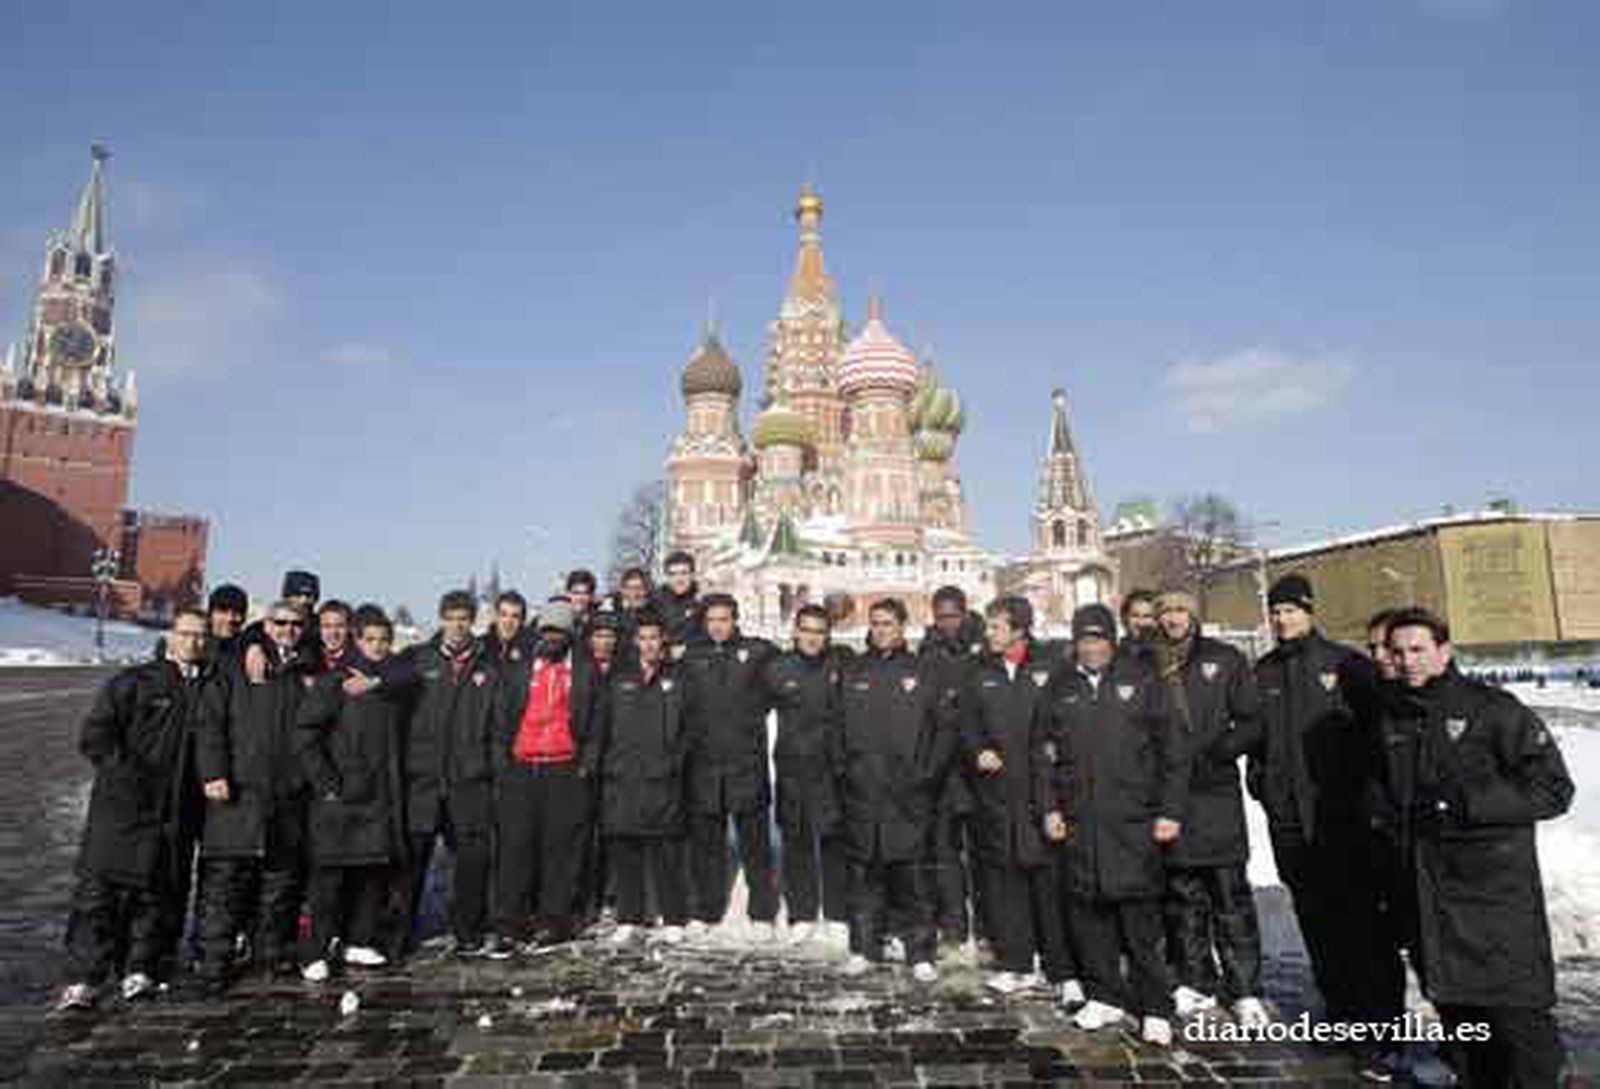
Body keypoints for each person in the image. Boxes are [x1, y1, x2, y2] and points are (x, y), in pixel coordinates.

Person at [1378, 609, 1572, 1088]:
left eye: (1418, 649)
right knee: (1463, 1028)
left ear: (1444, 651)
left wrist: (1465, 804)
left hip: (1493, 900)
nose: (1407, 661)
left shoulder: (1493, 709)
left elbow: (1553, 789)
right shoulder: (1394, 716)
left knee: (1518, 1027)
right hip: (1428, 897)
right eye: (1398, 652)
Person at [1248, 574, 1404, 1052]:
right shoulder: (1264, 671)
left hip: (1343, 818)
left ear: (1309, 612)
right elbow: (1256, 739)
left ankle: (1379, 1022)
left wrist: (1370, 799)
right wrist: (1261, 784)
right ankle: (1337, 1008)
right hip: (1289, 819)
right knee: (1314, 917)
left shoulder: (1345, 664)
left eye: (1290, 610)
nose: (1281, 619)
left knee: (1357, 919)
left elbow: (1379, 736)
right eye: (1275, 611)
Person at [56, 608, 221, 1011]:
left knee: (155, 893)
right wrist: (123, 775)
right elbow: (96, 734)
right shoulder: (135, 681)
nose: (193, 642)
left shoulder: (207, 687)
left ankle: (140, 968)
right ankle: (84, 978)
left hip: (173, 810)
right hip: (122, 809)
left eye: (201, 636)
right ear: (171, 636)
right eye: (187, 634)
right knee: (99, 895)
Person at [1043, 603, 1186, 1046]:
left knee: (1139, 921)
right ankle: (1103, 995)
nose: (1092, 648)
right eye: (1084, 640)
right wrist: (1049, 807)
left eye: (1099, 639)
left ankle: (1155, 1005)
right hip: (1081, 822)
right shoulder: (1060, 687)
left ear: (1111, 640)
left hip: (1132, 820)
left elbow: (1173, 751)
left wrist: (1170, 810)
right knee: (1090, 914)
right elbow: (1040, 753)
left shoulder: (1141, 681)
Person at [1150, 590, 1268, 1026]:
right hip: (1168, 794)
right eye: (1165, 612)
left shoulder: (1224, 659)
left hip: (1214, 791)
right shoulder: (1149, 662)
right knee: (1183, 896)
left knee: (1229, 894)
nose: (1172, 619)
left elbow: (1253, 719)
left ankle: (1245, 988)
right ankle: (1195, 980)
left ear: (1193, 615)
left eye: (1180, 611)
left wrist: (1221, 751)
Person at [191, 600, 318, 993]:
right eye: (280, 623)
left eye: (296, 624)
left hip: (287, 793)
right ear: (266, 624)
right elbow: (210, 723)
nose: (288, 630)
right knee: (225, 880)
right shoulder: (236, 665)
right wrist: (213, 772)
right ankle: (214, 959)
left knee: (278, 882)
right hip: (239, 790)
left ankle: (271, 953)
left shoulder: (305, 670)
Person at [960, 596, 1079, 1004]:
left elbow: (1068, 719)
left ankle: (1062, 968)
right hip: (997, 795)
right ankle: (1017, 963)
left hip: (1043, 794)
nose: (987, 633)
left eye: (995, 627)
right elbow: (967, 724)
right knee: (1005, 883)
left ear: (1019, 630)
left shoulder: (1052, 667)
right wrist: (977, 750)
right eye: (988, 626)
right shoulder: (979, 672)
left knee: (1048, 884)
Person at [835, 598, 956, 984]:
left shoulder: (922, 671)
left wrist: (927, 776)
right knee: (865, 876)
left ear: (903, 626)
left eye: (888, 623)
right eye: (875, 623)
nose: (881, 629)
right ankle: (865, 947)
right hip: (864, 791)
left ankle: (920, 950)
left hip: (908, 793)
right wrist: (846, 772)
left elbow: (945, 730)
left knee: (913, 876)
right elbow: (835, 730)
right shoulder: (855, 671)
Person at [295, 610, 412, 982]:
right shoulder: (335, 682)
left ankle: (359, 939)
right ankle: (315, 949)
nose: (377, 647)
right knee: (329, 878)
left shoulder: (387, 682)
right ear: (357, 640)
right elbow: (305, 735)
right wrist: (327, 783)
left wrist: (377, 680)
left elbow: (411, 675)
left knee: (370, 873)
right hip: (342, 796)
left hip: (379, 795)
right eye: (370, 639)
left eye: (383, 640)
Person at [494, 600, 602, 951]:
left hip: (564, 768)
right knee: (517, 847)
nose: (550, 638)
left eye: (558, 632)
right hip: (523, 767)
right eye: (546, 631)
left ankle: (553, 920)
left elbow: (599, 722)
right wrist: (503, 763)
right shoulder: (520, 669)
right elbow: (501, 718)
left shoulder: (584, 672)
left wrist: (587, 763)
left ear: (570, 636)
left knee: (560, 849)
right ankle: (512, 921)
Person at [401, 591, 501, 958]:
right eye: (451, 617)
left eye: (464, 618)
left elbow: (499, 724)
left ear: (472, 621)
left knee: (472, 864)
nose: (457, 625)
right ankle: (398, 932)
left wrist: (486, 766)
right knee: (412, 863)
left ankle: (468, 931)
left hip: (468, 781)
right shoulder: (417, 660)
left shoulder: (487, 666)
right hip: (425, 780)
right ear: (441, 619)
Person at [680, 594, 780, 935]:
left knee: (755, 844)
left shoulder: (757, 653)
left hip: (745, 763)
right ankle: (705, 909)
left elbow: (786, 673)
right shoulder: (692, 657)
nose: (718, 626)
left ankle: (762, 912)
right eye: (712, 620)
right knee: (706, 845)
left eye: (724, 619)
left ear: (735, 620)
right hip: (705, 765)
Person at [592, 611, 691, 945]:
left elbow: (691, 729)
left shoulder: (678, 679)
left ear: (663, 642)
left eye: (654, 638)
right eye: (643, 638)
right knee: (626, 850)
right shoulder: (619, 680)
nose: (649, 644)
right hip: (623, 778)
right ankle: (630, 916)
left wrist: (676, 763)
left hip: (663, 779)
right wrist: (607, 765)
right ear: (635, 642)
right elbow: (601, 726)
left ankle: (674, 915)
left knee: (666, 851)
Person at [765, 604, 850, 945]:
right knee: (796, 842)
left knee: (833, 843)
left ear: (827, 635)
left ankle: (837, 913)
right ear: (795, 631)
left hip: (832, 769)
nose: (813, 637)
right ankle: (801, 913)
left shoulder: (840, 665)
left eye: (819, 631)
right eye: (807, 630)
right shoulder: (777, 669)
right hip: (792, 767)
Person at [918, 584, 985, 955]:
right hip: (944, 766)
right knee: (944, 852)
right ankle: (955, 926)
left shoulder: (984, 646)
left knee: (984, 851)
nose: (948, 624)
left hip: (979, 764)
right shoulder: (927, 651)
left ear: (965, 613)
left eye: (953, 616)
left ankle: (989, 926)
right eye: (941, 617)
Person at [653, 551, 703, 660]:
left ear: (692, 575)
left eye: (684, 573)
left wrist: (688, 649)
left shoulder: (702, 603)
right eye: (673, 574)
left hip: (695, 663)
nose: (679, 579)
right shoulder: (654, 604)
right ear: (666, 577)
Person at [483, 590, 531, 667]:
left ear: (522, 620)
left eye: (515, 616)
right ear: (495, 616)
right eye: (503, 615)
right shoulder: (481, 648)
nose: (508, 621)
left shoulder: (531, 650)